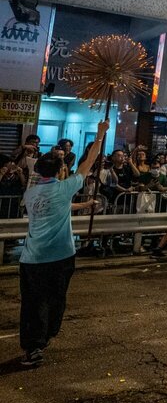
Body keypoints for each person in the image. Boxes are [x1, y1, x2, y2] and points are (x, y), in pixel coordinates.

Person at [19, 122, 107, 367]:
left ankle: (35, 343)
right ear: (59, 171)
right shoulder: (64, 188)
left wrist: (84, 206)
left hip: (31, 258)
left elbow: (60, 208)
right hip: (59, 257)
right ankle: (42, 339)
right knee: (55, 299)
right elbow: (89, 162)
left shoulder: (32, 194)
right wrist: (100, 135)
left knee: (33, 302)